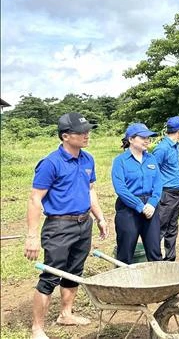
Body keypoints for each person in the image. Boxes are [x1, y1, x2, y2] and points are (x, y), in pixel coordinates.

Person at [25, 112, 108, 339]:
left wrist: (99, 217)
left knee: (74, 272)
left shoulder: (88, 159)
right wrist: (32, 236)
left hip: (84, 223)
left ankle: (66, 314)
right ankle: (37, 329)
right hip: (59, 226)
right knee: (51, 275)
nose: (86, 135)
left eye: (87, 130)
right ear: (65, 136)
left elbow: (90, 191)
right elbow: (35, 199)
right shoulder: (50, 163)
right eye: (81, 132)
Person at [111, 123, 163, 264]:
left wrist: (152, 204)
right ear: (131, 139)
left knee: (155, 251)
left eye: (149, 138)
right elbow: (120, 188)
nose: (147, 141)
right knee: (125, 252)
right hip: (128, 208)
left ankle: (157, 284)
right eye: (143, 137)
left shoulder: (151, 159)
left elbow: (158, 184)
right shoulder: (120, 161)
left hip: (151, 207)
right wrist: (140, 206)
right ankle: (123, 285)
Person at [152, 116, 179, 261]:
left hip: (176, 193)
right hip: (166, 194)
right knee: (160, 228)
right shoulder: (162, 149)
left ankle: (170, 259)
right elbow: (153, 172)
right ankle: (155, 260)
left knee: (172, 227)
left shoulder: (175, 146)